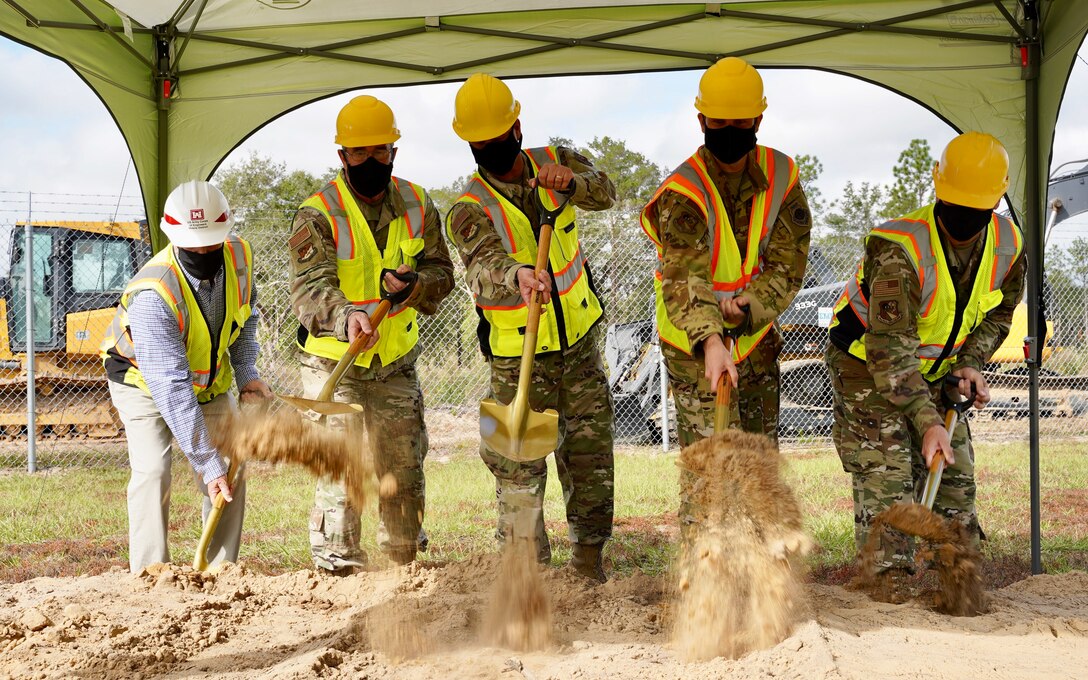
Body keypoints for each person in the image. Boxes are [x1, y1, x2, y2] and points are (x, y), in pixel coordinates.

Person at [826, 131, 1025, 578]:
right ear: (937, 188)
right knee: (890, 480)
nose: (964, 219)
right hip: (866, 364)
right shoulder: (901, 249)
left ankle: (952, 581)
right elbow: (888, 348)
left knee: (954, 480)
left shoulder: (1009, 246)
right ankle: (888, 583)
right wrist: (927, 420)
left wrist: (971, 362)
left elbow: (999, 315)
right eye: (956, 205)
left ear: (997, 200)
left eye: (977, 210)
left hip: (937, 370)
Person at [444, 73, 617, 582]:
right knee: (516, 470)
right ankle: (527, 577)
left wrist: (574, 183)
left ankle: (589, 568)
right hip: (516, 362)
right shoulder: (467, 208)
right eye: (480, 143)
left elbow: (606, 191)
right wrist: (515, 275)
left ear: (517, 128)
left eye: (498, 137)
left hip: (581, 349)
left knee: (590, 460)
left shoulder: (556, 157)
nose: (491, 148)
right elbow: (480, 265)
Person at [639, 57, 811, 537]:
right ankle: (705, 574)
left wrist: (749, 308)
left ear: (759, 119)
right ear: (702, 122)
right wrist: (713, 339)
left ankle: (762, 572)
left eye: (740, 122)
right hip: (694, 346)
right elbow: (684, 277)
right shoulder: (683, 191)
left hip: (755, 338)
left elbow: (787, 263)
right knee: (711, 469)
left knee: (757, 463)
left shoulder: (782, 175)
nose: (731, 130)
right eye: (720, 122)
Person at [289, 95, 454, 573]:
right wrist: (347, 319)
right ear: (342, 156)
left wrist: (416, 287)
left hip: (395, 365)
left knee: (403, 467)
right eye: (358, 154)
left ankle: (403, 569)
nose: (370, 161)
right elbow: (308, 291)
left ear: (393, 151)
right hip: (332, 368)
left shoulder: (419, 203)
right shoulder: (317, 213)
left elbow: (443, 273)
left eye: (379, 151)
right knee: (343, 476)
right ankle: (338, 571)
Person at [101, 180, 272, 573]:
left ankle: (221, 571)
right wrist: (204, 463)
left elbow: (246, 318)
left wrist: (246, 373)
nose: (203, 252)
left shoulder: (239, 257)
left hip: (208, 382)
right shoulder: (153, 294)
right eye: (193, 246)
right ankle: (151, 575)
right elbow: (173, 389)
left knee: (231, 466)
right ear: (172, 235)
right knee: (154, 471)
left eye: (211, 243)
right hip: (143, 383)